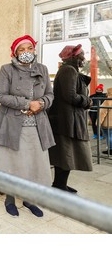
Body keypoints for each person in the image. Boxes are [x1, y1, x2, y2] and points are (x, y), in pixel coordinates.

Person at [0, 35, 55, 217]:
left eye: (29, 48)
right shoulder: (6, 70)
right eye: (22, 49)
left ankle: (29, 200)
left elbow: (50, 94)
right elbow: (1, 95)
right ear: (15, 52)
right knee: (12, 164)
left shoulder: (42, 69)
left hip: (37, 126)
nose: (26, 52)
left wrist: (41, 103)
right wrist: (28, 104)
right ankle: (9, 199)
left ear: (34, 50)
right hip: (12, 124)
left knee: (34, 164)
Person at [48, 44, 92, 194]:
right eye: (82, 55)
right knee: (66, 155)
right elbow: (70, 96)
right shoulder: (68, 70)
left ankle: (60, 184)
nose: (84, 58)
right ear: (74, 56)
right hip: (67, 122)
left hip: (68, 120)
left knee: (67, 155)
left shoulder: (68, 70)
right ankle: (59, 185)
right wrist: (87, 101)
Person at [99, 88, 112, 154]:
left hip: (107, 123)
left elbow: (102, 113)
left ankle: (110, 149)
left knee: (108, 136)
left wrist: (98, 122)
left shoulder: (107, 101)